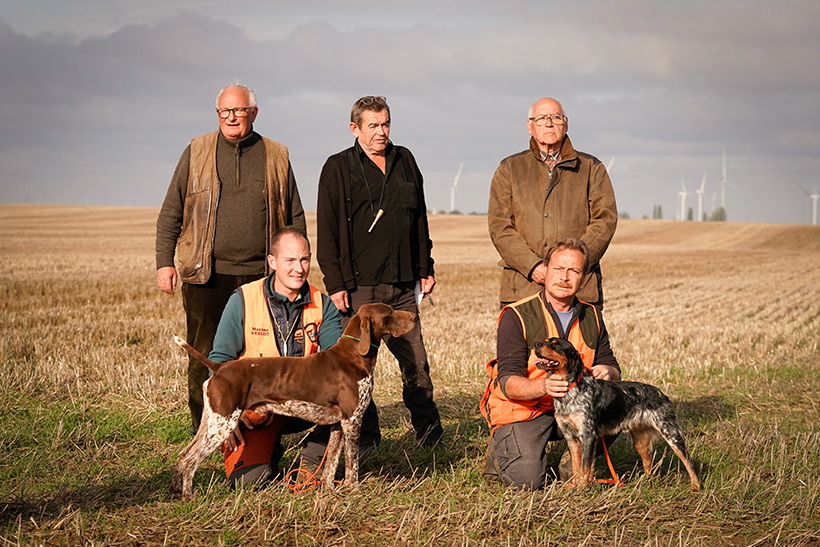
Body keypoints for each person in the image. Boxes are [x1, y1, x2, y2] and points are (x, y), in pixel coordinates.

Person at [155, 83, 306, 434]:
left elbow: (294, 215)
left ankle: (265, 433)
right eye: (224, 111)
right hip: (207, 276)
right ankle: (205, 431)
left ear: (253, 113)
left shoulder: (277, 155)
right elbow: (170, 213)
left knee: (264, 357)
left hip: (259, 275)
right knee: (204, 357)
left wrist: (294, 264)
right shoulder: (197, 151)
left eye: (238, 111)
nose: (231, 117)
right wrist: (165, 261)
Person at [313, 95, 444, 454]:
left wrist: (424, 268)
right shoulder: (337, 168)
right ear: (355, 128)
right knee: (358, 368)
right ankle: (367, 440)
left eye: (385, 124)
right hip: (360, 289)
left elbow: (419, 219)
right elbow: (328, 230)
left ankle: (430, 436)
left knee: (417, 363)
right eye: (373, 126)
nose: (381, 132)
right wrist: (336, 284)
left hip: (403, 285)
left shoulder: (405, 160)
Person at [480, 236, 622, 490]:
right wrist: (544, 387)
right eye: (558, 269)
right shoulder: (517, 315)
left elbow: (610, 363)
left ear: (584, 277)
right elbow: (508, 382)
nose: (565, 277)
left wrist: (609, 371)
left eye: (574, 271)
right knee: (528, 482)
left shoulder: (592, 315)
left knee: (617, 406)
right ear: (545, 271)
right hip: (525, 411)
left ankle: (573, 462)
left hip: (571, 409)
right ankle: (503, 449)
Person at [209, 227, 343, 486]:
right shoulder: (244, 299)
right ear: (272, 262)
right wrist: (228, 415)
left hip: (309, 407)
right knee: (246, 482)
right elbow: (220, 361)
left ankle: (312, 459)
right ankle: (266, 453)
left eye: (304, 259)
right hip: (255, 411)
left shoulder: (323, 304)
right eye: (290, 260)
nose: (299, 268)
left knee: (346, 405)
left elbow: (339, 367)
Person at [487, 97, 618, 309]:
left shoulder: (592, 168)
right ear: (530, 126)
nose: (549, 123)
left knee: (578, 344)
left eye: (555, 117)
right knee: (523, 343)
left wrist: (572, 268)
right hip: (523, 289)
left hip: (579, 291)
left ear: (566, 124)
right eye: (541, 118)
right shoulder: (509, 169)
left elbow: (605, 221)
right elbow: (499, 226)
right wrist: (533, 266)